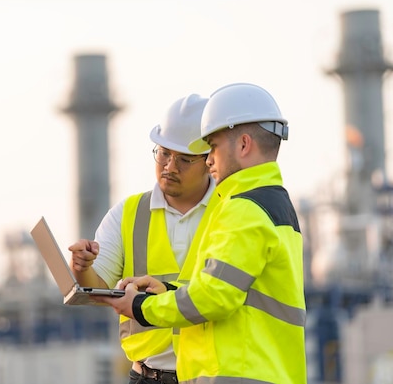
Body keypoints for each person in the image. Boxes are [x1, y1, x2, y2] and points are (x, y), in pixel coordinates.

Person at [94, 82, 307, 384]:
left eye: (214, 147)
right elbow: (235, 292)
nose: (209, 159)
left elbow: (215, 297)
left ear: (244, 144)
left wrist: (141, 307)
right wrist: (168, 292)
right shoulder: (276, 205)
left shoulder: (243, 208)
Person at [68, 93, 217, 384]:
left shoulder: (231, 211)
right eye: (163, 153)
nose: (170, 167)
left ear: (209, 160)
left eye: (184, 159)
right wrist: (80, 267)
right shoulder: (128, 214)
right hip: (147, 376)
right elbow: (97, 292)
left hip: (211, 375)